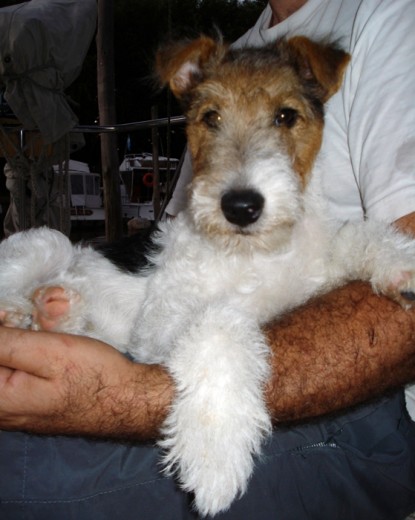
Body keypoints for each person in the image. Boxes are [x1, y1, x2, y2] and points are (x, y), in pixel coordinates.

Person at [1, 0, 415, 518]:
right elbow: (177, 244)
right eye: (212, 118)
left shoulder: (385, 16)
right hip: (136, 335)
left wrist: (383, 254)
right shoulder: (240, 50)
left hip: (344, 410)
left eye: (284, 117)